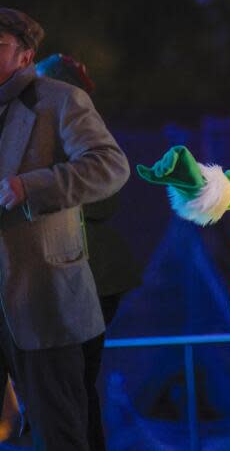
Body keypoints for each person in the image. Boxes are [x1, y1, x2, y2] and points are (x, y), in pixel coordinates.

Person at [0, 9, 130, 450]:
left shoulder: (58, 100)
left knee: (61, 434)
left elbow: (110, 167)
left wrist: (30, 186)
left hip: (41, 300)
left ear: (25, 55)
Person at [35, 53, 142, 451]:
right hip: (82, 276)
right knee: (71, 385)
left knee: (70, 384)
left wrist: (43, 191)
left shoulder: (74, 134)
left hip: (88, 277)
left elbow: (105, 201)